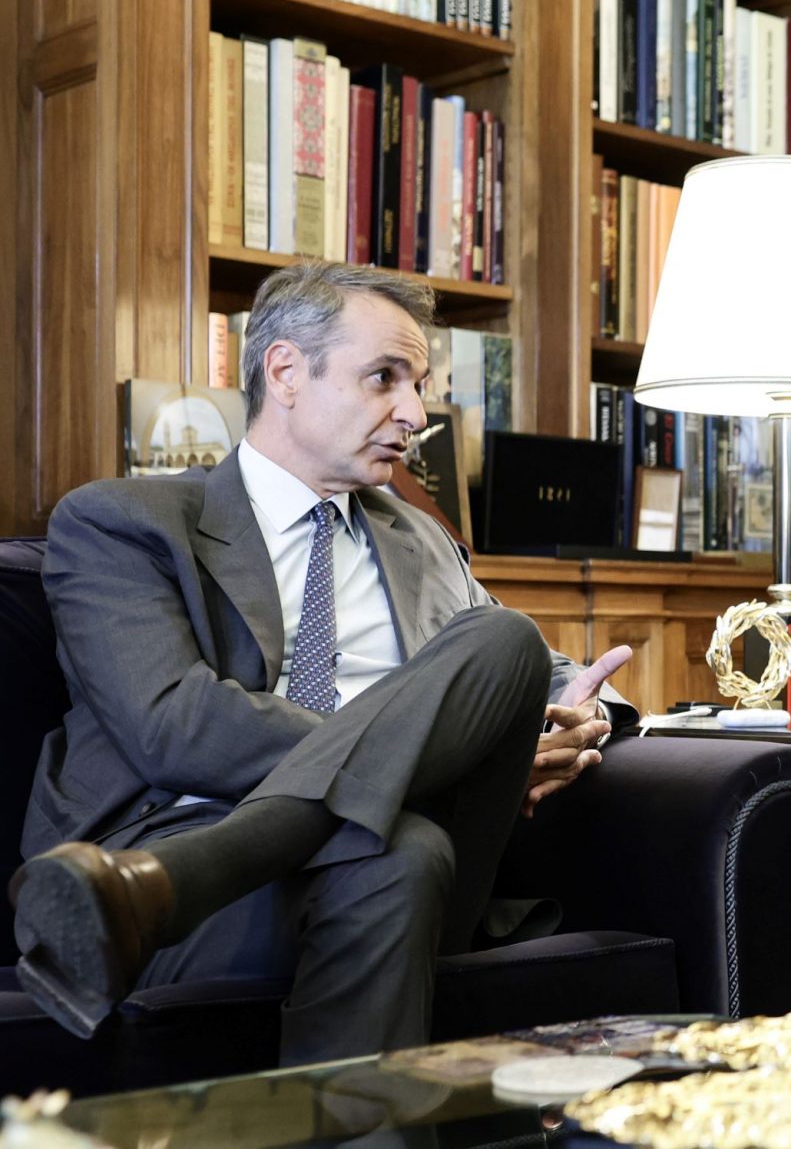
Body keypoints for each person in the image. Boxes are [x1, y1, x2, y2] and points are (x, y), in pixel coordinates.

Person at [9, 262, 635, 1066]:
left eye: (419, 385)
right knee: (402, 849)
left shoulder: (422, 537)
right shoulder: (126, 522)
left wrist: (587, 714)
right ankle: (203, 885)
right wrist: (416, 753)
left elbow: (531, 669)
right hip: (212, 876)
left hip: (169, 889)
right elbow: (174, 724)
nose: (415, 413)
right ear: (285, 372)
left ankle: (167, 884)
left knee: (504, 638)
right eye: (385, 377)